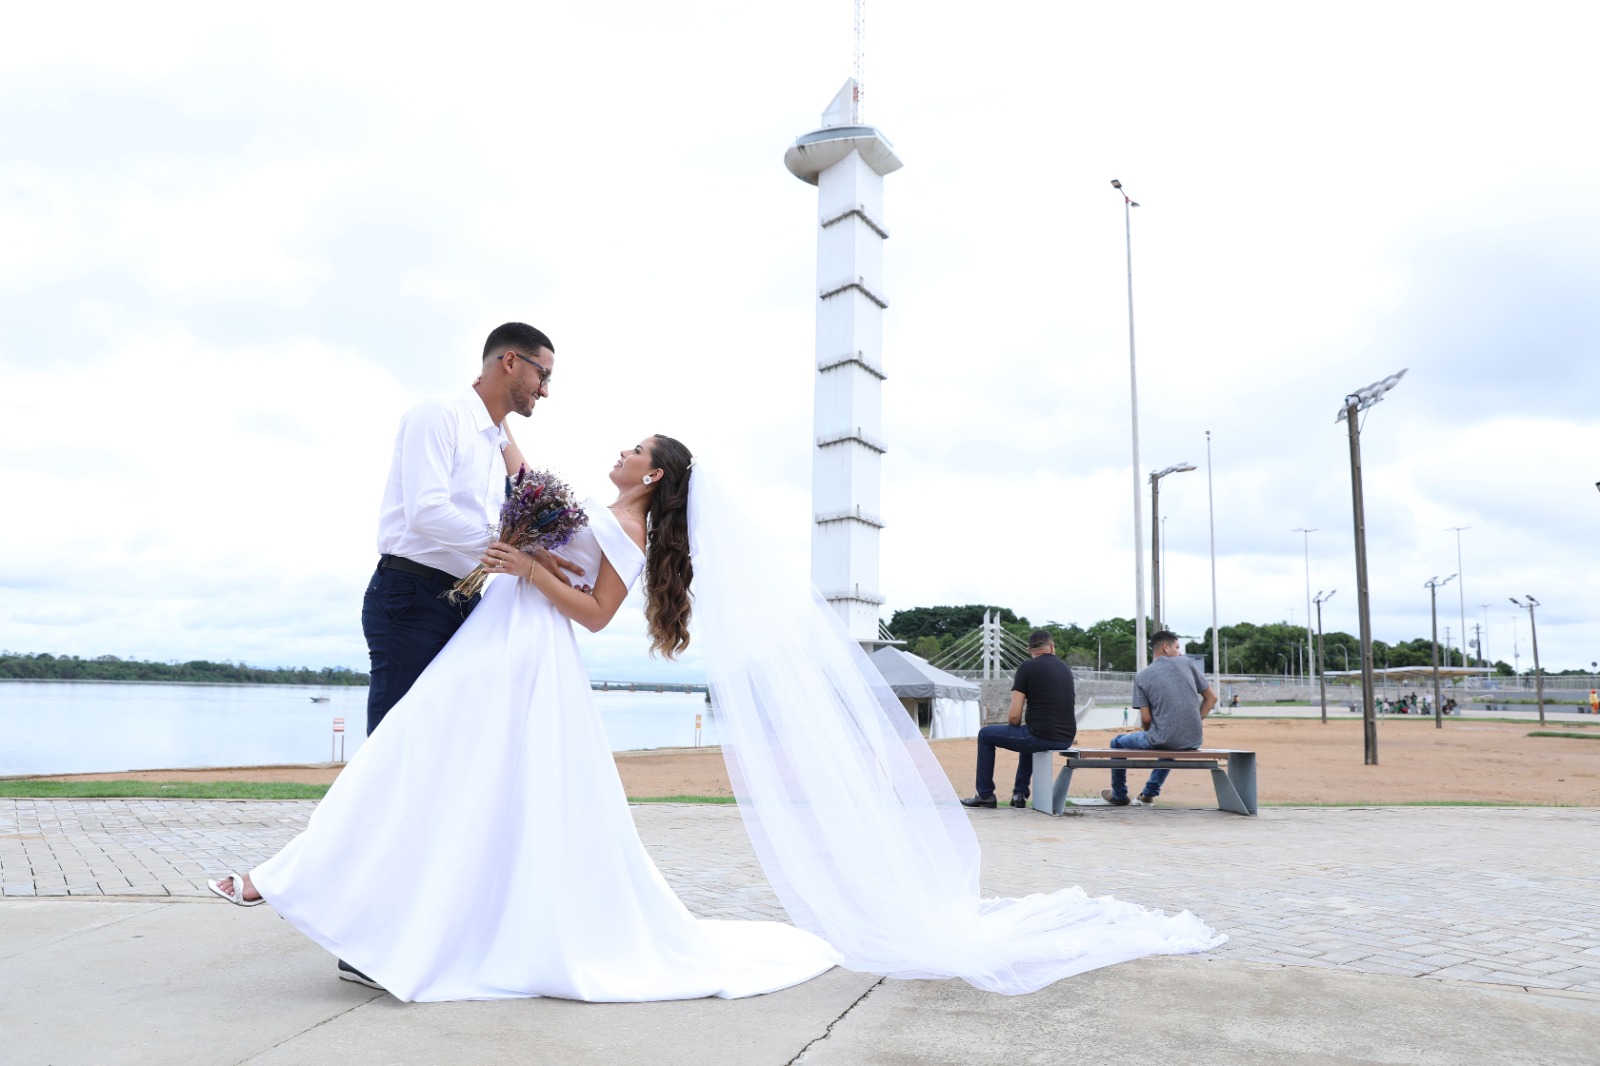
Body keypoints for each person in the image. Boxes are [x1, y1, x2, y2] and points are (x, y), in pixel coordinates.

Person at [209, 441, 1222, 1000]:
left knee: (418, 760)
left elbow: (594, 612)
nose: (619, 450)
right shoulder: (605, 509)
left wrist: (522, 566)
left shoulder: (632, 526)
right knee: (417, 761)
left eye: (634, 449)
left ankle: (292, 881)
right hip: (498, 645)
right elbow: (556, 549)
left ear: (650, 476)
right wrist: (519, 505)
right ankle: (327, 888)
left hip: (524, 654)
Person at [362, 322, 573, 736]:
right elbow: (426, 511)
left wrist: (526, 549)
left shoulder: (495, 442)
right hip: (411, 596)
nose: (545, 390)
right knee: (395, 744)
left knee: (449, 743)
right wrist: (509, 552)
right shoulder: (440, 414)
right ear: (510, 361)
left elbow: (533, 491)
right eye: (543, 375)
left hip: (466, 600)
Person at [960, 630, 1077, 809]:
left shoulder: (1027, 668)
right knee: (1027, 735)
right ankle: (1019, 794)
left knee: (985, 735)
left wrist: (1013, 727)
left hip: (1041, 737)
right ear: (1052, 647)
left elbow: (1014, 716)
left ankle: (985, 795)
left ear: (1029, 650)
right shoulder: (1065, 669)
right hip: (1067, 738)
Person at [1101, 632, 1217, 806]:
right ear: (1165, 647)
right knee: (1168, 744)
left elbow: (1146, 719)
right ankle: (1148, 794)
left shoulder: (1142, 676)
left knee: (1116, 742)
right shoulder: (1187, 663)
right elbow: (1212, 698)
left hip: (1163, 738)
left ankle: (1119, 795)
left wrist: (1152, 731)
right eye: (1177, 647)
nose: (1179, 652)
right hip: (1194, 739)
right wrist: (1194, 721)